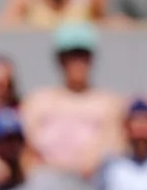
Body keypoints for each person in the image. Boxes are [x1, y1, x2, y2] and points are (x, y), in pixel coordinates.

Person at [23, 22, 128, 180]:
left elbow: (116, 146)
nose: (77, 62)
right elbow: (26, 146)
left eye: (83, 55)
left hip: (93, 184)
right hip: (44, 182)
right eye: (70, 56)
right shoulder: (37, 101)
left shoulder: (110, 103)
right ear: (59, 60)